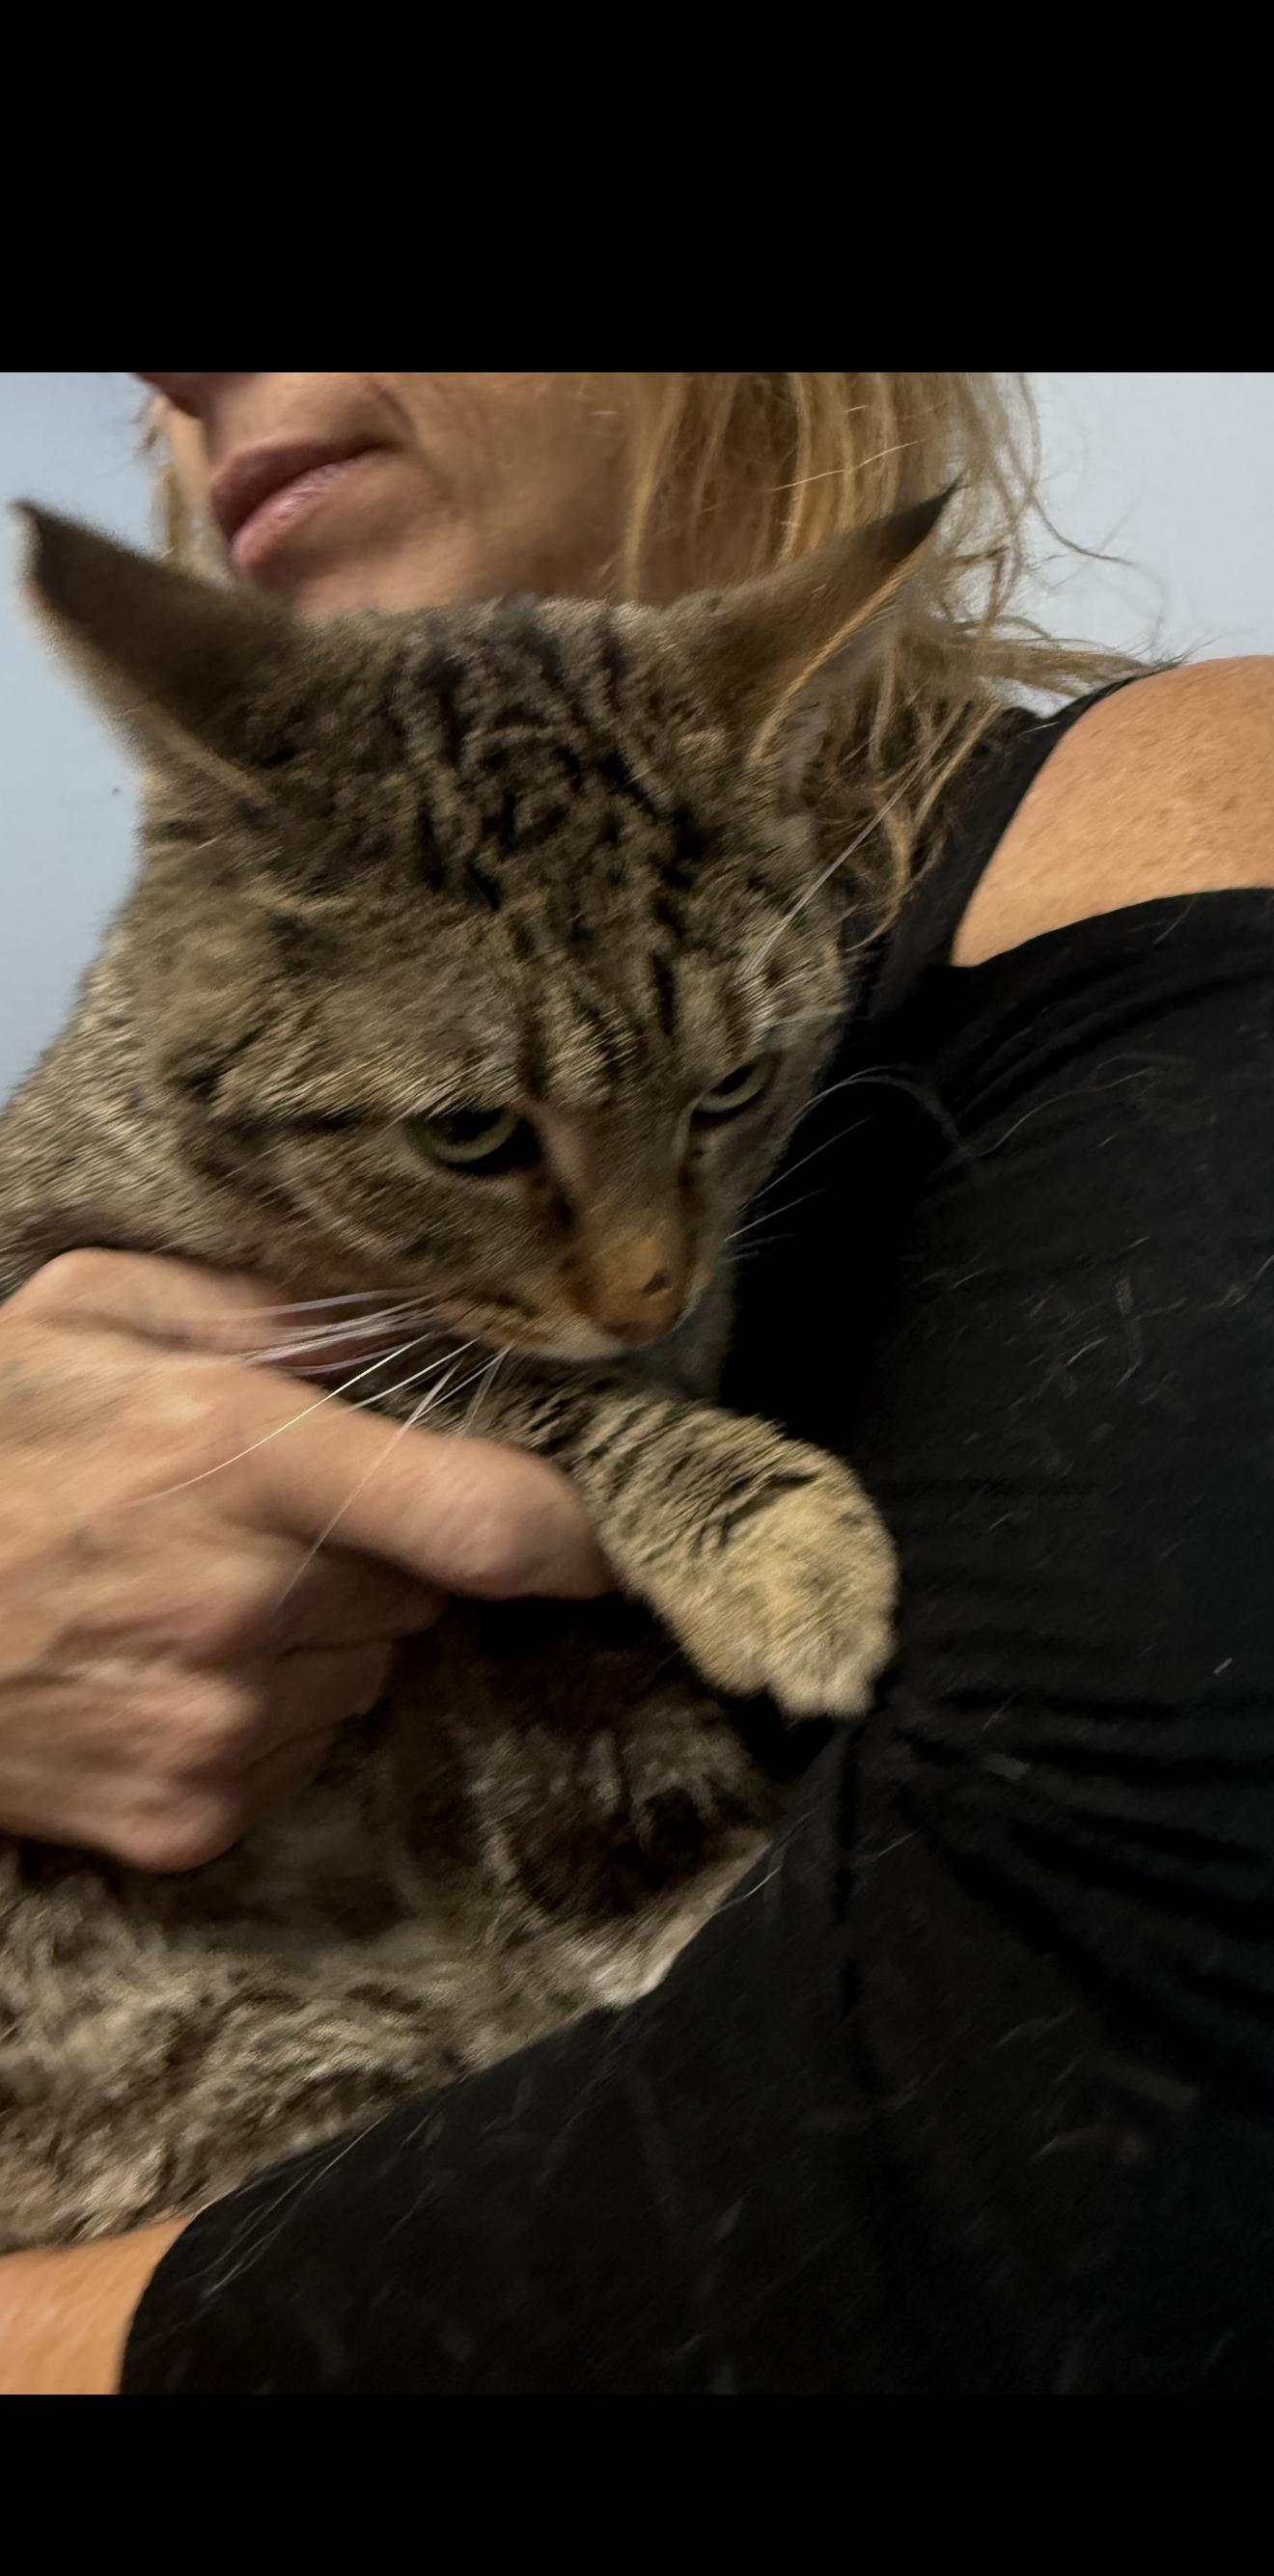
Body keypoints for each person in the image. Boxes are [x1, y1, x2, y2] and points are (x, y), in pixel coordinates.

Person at [2, 371, 1273, 2395]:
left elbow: (1060, 2181)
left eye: (723, 1097)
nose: (644, 1280)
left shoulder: (1177, 843)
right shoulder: (201, 1023)